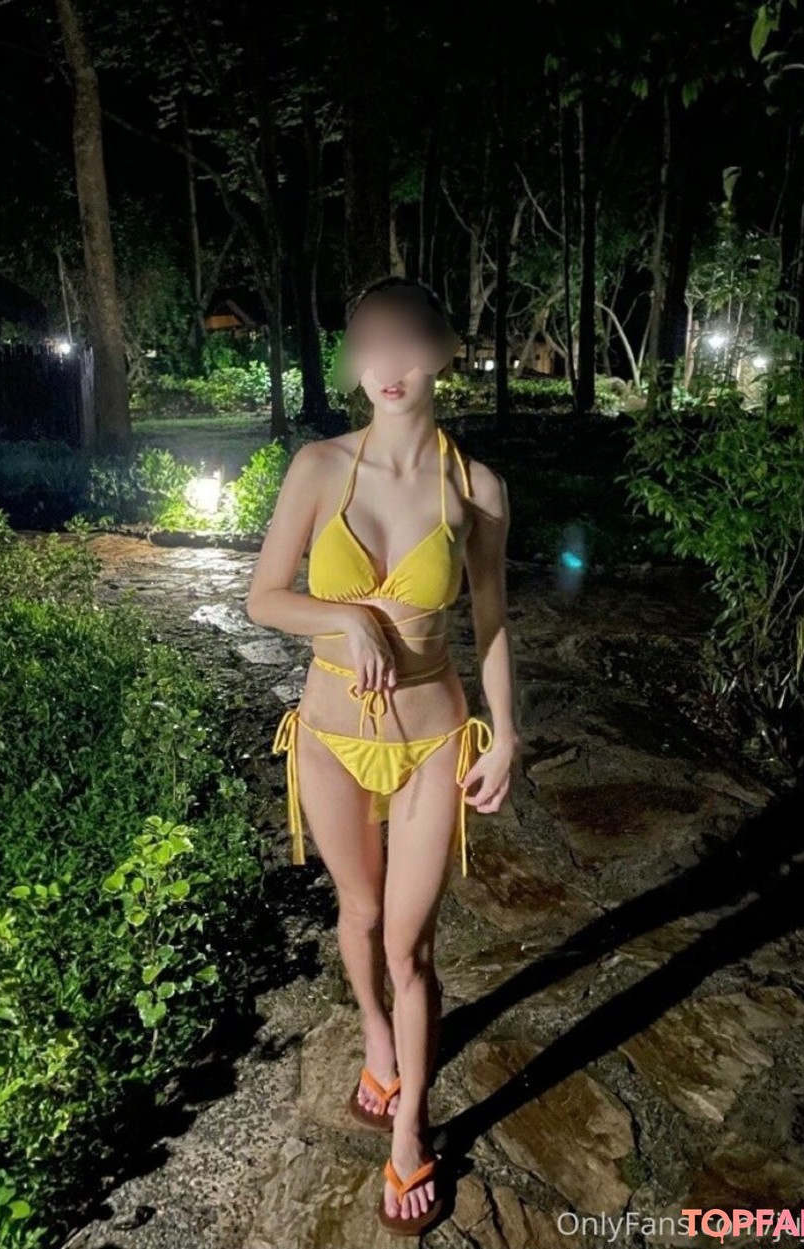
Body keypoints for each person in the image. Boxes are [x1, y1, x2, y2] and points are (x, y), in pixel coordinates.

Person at [246, 275, 520, 1235]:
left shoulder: (475, 488)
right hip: (327, 735)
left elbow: (491, 622)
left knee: (411, 943)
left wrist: (508, 731)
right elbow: (263, 598)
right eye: (369, 346)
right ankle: (375, 1033)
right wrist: (347, 617)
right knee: (358, 913)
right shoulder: (320, 466)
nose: (387, 368)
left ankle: (410, 1125)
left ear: (442, 350)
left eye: (407, 345)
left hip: (432, 736)